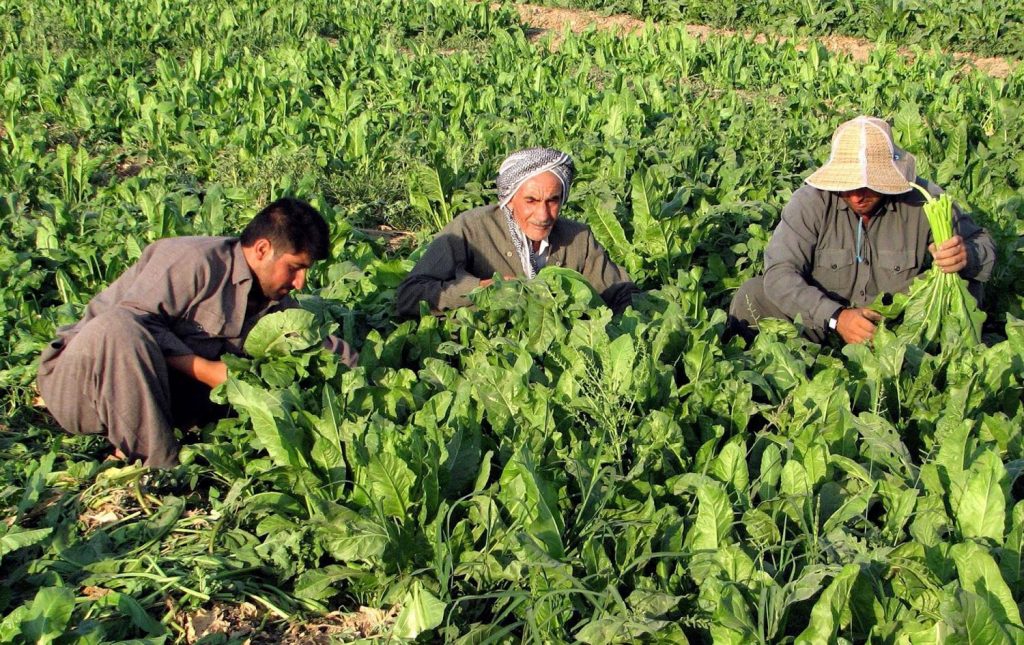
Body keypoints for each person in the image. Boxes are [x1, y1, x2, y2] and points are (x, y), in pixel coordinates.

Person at [37, 197, 357, 468]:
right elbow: (127, 324)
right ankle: (155, 466)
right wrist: (205, 370)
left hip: (159, 398)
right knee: (119, 326)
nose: (300, 282)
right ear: (262, 249)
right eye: (296, 267)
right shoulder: (193, 261)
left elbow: (319, 345)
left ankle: (136, 443)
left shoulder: (273, 298)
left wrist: (359, 378)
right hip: (83, 389)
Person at [728, 116, 995, 344]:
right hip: (818, 324)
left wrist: (965, 255)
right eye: (849, 186)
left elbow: (982, 243)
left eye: (869, 186)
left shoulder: (922, 199)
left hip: (899, 328)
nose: (857, 197)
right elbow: (780, 273)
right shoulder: (810, 203)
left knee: (967, 287)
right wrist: (836, 318)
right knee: (753, 296)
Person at [396, 147, 641, 318]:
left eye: (553, 200)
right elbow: (409, 295)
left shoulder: (578, 240)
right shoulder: (470, 230)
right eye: (531, 200)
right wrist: (484, 289)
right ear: (509, 200)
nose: (543, 215)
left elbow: (622, 293)